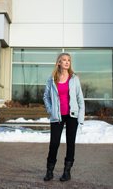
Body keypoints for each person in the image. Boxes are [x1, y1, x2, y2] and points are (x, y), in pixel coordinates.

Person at [42, 52, 85, 182]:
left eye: (69, 60)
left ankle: (67, 172)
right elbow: (46, 97)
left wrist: (81, 120)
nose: (67, 62)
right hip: (57, 117)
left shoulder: (74, 79)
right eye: (64, 60)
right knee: (54, 144)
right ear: (59, 62)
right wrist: (51, 110)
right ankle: (49, 171)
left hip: (72, 116)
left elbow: (80, 100)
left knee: (70, 144)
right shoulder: (52, 79)